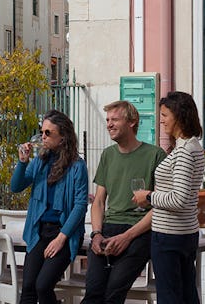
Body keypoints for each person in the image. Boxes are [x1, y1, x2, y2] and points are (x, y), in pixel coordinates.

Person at [81, 101, 166, 304]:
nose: (109, 124)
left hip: (139, 231)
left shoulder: (155, 155)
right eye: (108, 120)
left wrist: (127, 237)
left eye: (115, 119)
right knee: (93, 294)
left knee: (112, 295)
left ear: (132, 122)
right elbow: (99, 202)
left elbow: (161, 207)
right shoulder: (108, 155)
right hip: (107, 230)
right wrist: (96, 234)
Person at [132, 91, 205, 304]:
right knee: (186, 294)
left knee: (170, 297)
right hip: (184, 233)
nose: (161, 120)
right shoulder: (191, 147)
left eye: (165, 115)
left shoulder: (184, 151)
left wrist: (149, 196)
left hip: (170, 235)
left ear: (179, 116)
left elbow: (179, 199)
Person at [11, 110, 89, 304]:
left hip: (64, 233)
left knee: (43, 286)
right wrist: (22, 162)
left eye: (48, 133)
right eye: (42, 132)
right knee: (28, 286)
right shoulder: (39, 162)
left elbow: (80, 206)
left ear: (63, 137)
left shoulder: (77, 166)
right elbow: (16, 186)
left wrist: (61, 238)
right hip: (39, 230)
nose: (42, 137)